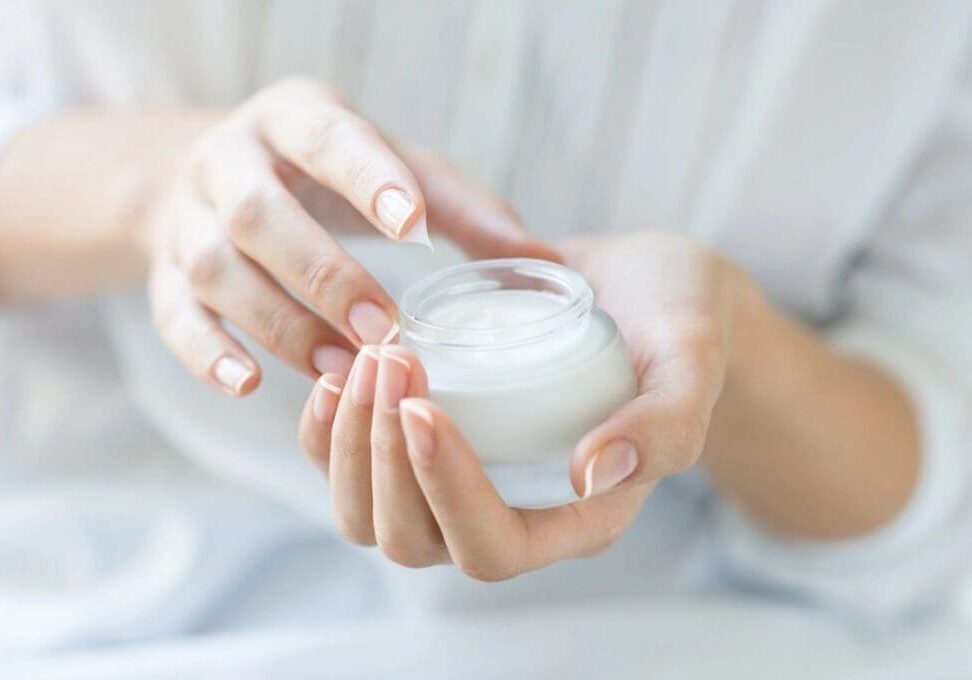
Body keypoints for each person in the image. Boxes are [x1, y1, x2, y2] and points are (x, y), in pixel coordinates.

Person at [1, 0, 971, 668]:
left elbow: (934, 463)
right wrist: (163, 186)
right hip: (130, 593)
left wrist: (729, 348)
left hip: (691, 629)